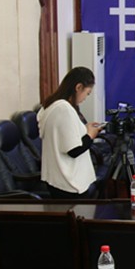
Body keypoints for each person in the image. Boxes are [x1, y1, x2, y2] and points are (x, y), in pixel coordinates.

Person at [37, 67, 102, 199]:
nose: (85, 98)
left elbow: (65, 134)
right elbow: (74, 150)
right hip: (68, 182)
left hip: (56, 179)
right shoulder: (64, 109)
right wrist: (91, 134)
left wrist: (85, 128)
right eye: (87, 93)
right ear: (78, 87)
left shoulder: (51, 105)